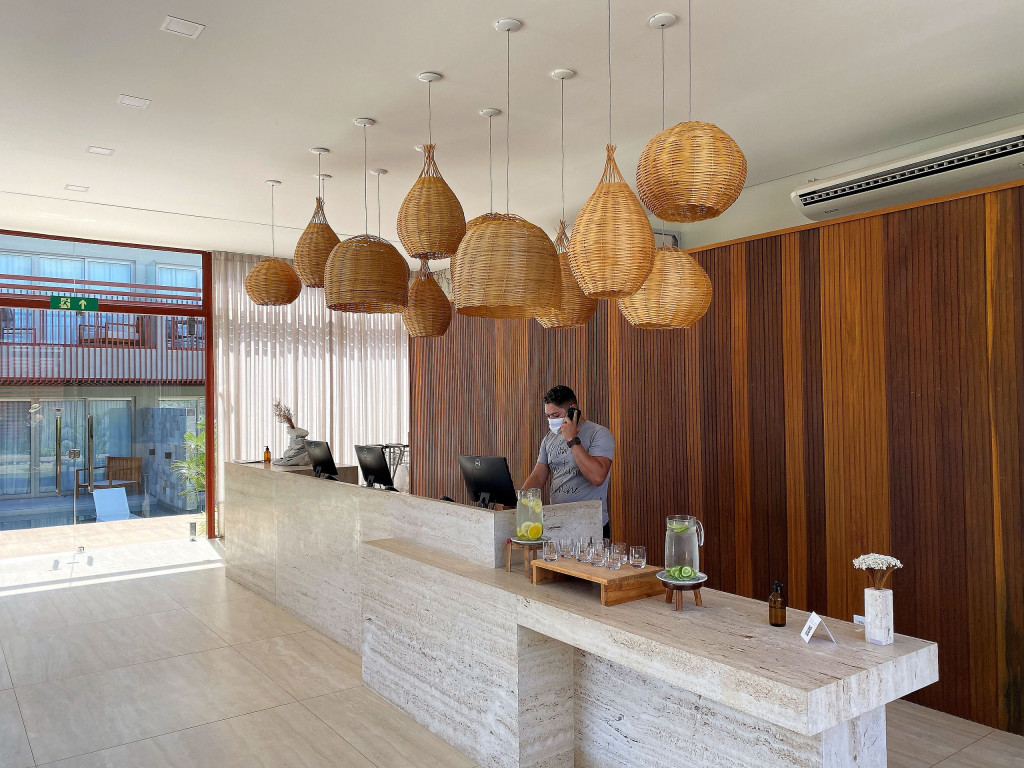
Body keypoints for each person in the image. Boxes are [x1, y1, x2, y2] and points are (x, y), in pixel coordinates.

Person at [522, 385, 615, 539]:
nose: (551, 420)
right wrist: (520, 502)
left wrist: (572, 439)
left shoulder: (599, 433)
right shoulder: (549, 438)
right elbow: (538, 476)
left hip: (590, 524)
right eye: (548, 416)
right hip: (558, 522)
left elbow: (597, 477)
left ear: (573, 409)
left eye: (556, 415)